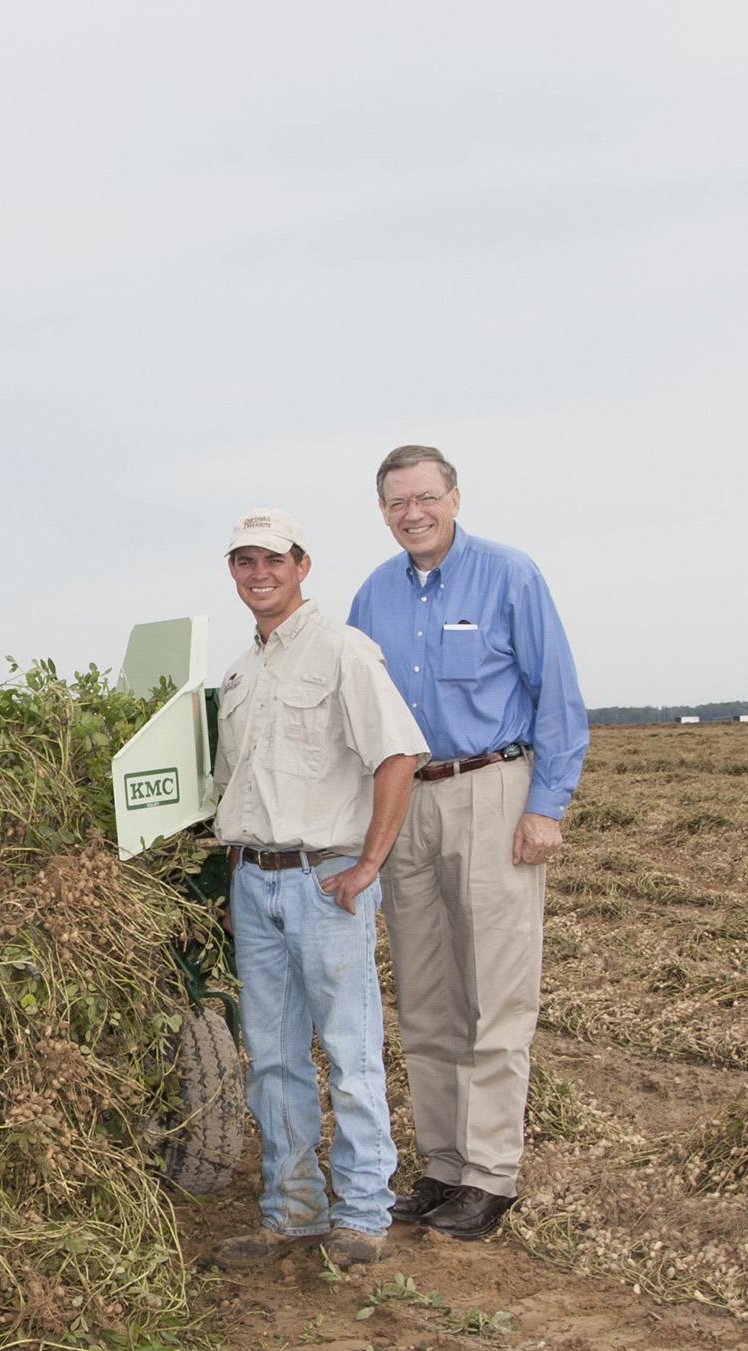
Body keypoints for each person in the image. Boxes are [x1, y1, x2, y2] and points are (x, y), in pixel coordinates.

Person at [348, 445, 588, 1241]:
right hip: (406, 799)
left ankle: (489, 1175)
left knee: (495, 990)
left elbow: (558, 696)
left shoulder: (509, 575)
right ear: (382, 511)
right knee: (423, 993)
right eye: (395, 502)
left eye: (424, 497)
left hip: (493, 790)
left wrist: (545, 806)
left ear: (454, 495)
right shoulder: (373, 596)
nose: (411, 513)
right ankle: (442, 1164)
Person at [202, 509, 428, 1271]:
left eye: (271, 559)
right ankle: (292, 1211)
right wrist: (237, 879)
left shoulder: (341, 651)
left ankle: (363, 1214)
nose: (257, 573)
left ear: (301, 564)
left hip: (325, 880)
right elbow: (233, 785)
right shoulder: (240, 672)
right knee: (270, 1056)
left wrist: (367, 867)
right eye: (243, 561)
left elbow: (397, 755)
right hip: (256, 883)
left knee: (350, 1050)